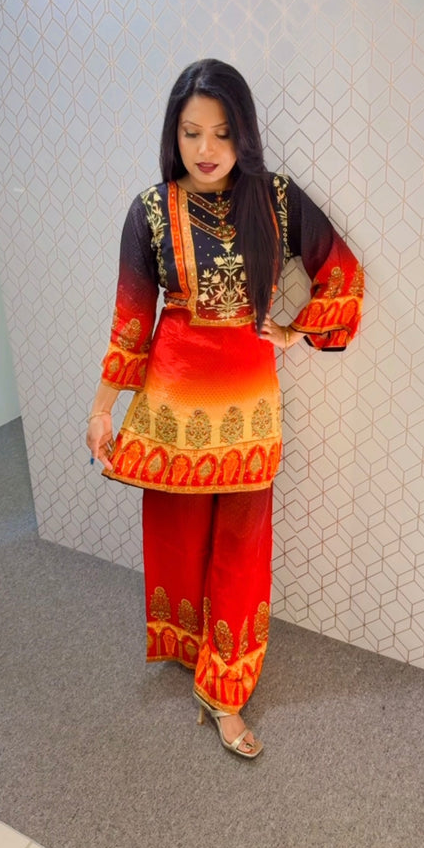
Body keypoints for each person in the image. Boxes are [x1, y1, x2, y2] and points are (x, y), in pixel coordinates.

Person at [86, 59, 363, 759]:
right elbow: (130, 318)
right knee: (176, 538)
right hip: (171, 408)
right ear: (172, 135)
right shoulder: (150, 211)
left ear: (244, 134)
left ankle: (225, 692)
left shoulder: (275, 199)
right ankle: (190, 654)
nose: (206, 149)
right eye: (191, 133)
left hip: (246, 409)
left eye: (222, 132)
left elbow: (342, 271)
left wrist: (295, 331)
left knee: (242, 550)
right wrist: (101, 410)